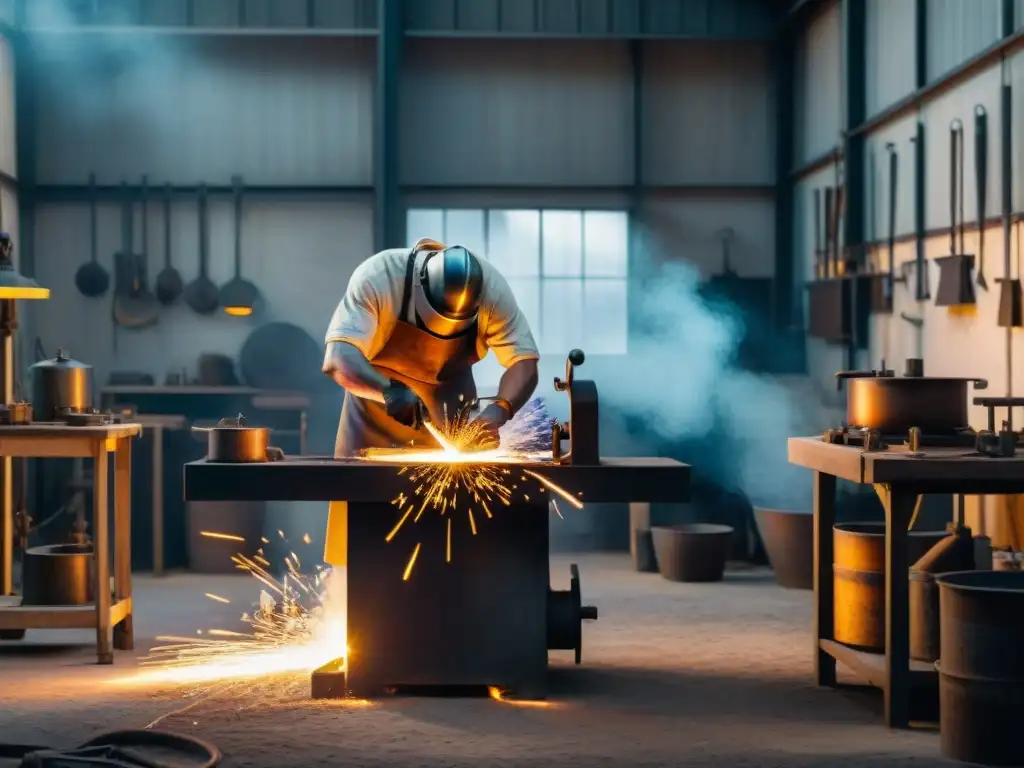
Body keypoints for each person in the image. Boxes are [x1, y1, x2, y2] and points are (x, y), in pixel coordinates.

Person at [323, 238, 540, 456]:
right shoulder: (381, 276)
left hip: (451, 417)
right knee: (358, 486)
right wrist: (392, 394)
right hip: (373, 413)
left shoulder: (492, 291)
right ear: (420, 284)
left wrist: (499, 410)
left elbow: (524, 362)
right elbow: (339, 360)